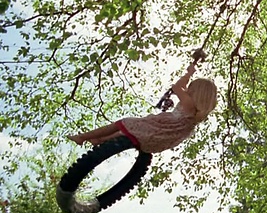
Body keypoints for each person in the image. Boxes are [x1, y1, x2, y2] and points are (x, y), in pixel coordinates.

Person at [67, 61, 217, 153]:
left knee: (123, 123)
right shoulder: (194, 113)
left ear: (196, 91)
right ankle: (99, 139)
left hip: (159, 128)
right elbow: (181, 88)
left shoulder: (189, 103)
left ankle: (83, 137)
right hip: (160, 137)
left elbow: (178, 87)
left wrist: (189, 73)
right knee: (129, 132)